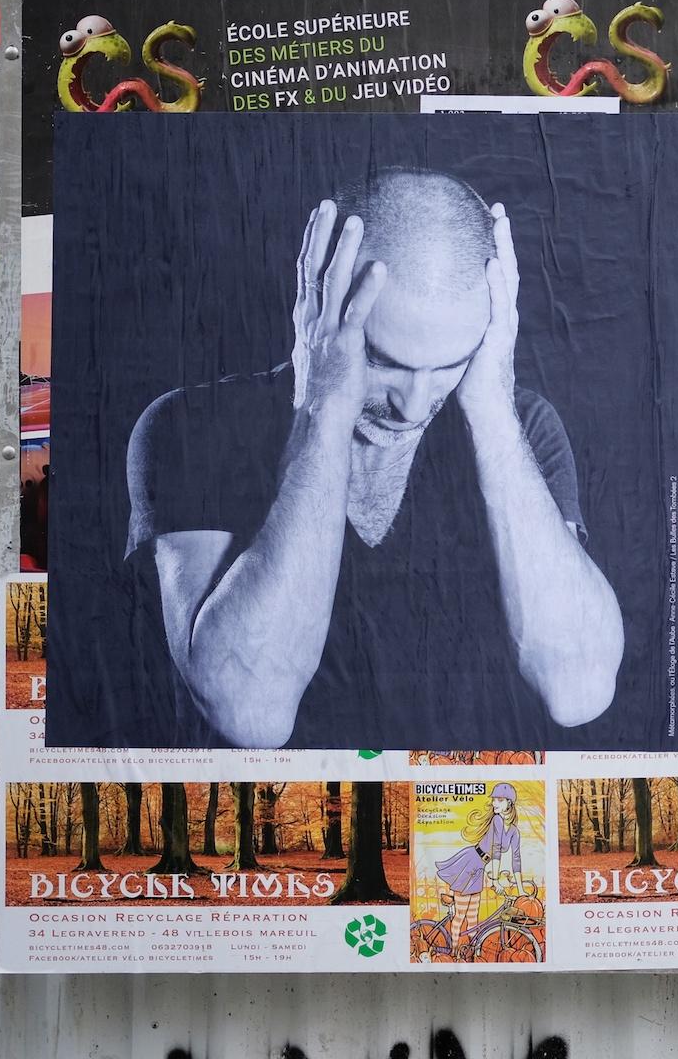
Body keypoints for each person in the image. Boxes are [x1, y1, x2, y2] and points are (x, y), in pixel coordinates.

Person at [125, 168, 624, 749]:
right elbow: (250, 712)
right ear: (319, 302)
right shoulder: (190, 425)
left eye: (448, 365)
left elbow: (579, 690)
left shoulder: (520, 429)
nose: (412, 406)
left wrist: (491, 409)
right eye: (384, 362)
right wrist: (325, 408)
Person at [434, 783, 530, 954]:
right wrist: (495, 880)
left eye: (499, 800)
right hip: (470, 863)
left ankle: (471, 954)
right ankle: (454, 953)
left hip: (479, 869)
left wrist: (521, 890)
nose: (494, 803)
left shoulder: (514, 831)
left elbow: (516, 859)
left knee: (473, 919)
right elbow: (496, 848)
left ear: (509, 802)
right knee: (460, 916)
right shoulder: (497, 820)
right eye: (494, 799)